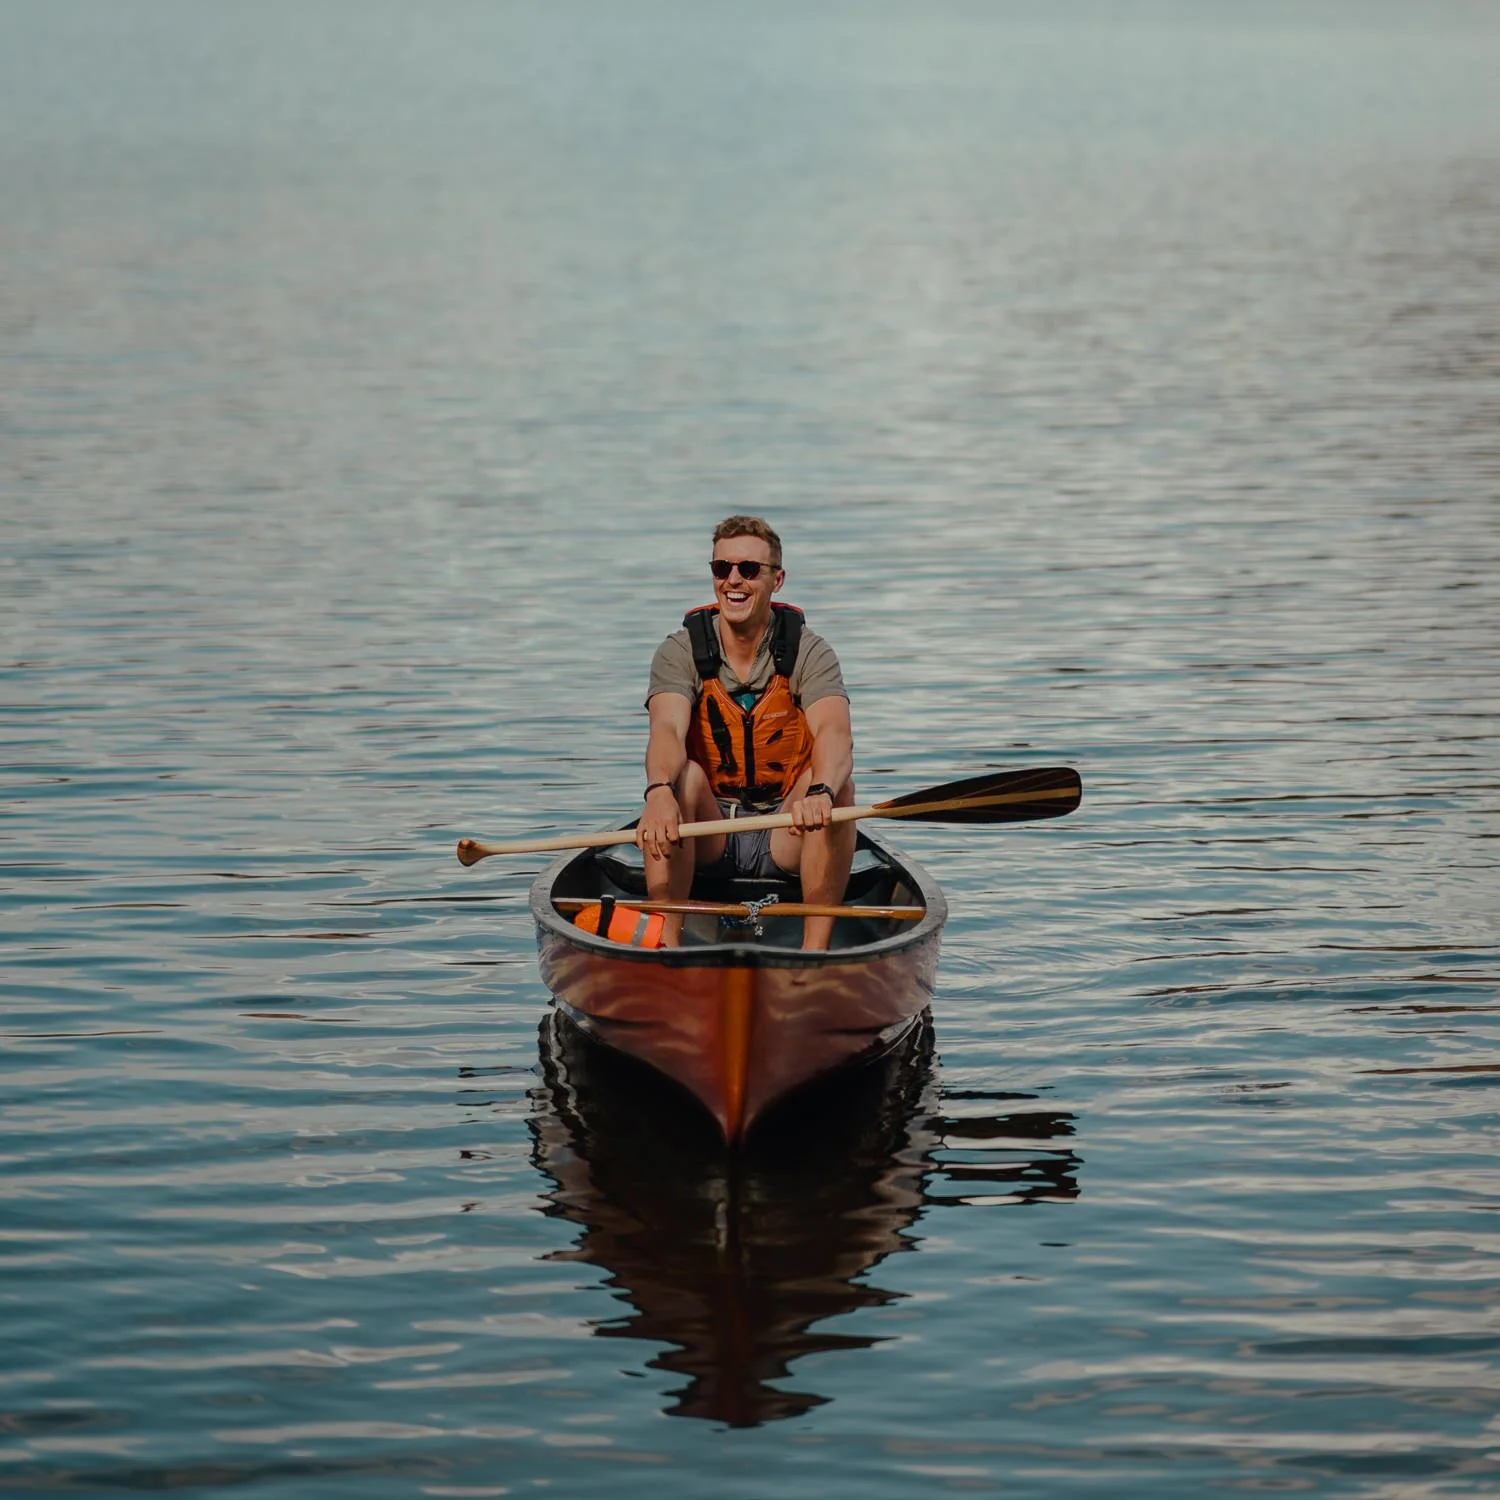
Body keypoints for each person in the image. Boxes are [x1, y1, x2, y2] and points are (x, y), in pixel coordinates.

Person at [638, 516, 855, 950]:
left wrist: (823, 792)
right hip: (711, 830)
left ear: (777, 579)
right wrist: (658, 790)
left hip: (786, 829)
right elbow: (666, 727)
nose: (733, 580)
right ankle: (667, 949)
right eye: (722, 569)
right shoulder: (680, 650)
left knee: (838, 785)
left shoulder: (809, 651)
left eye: (749, 570)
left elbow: (834, 731)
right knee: (681, 780)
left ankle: (814, 955)